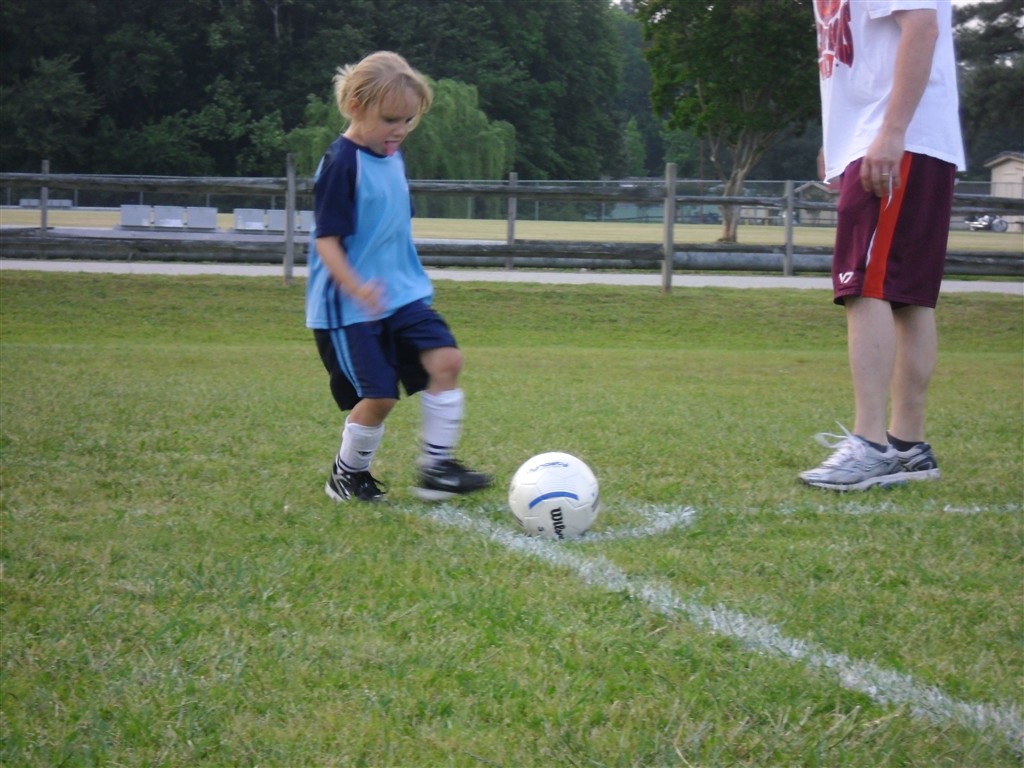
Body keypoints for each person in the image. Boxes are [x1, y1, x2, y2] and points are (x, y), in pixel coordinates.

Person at [306, 51, 493, 502]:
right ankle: (347, 475)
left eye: (409, 120)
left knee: (446, 361)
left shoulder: (392, 155)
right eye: (391, 120)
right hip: (350, 307)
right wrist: (357, 286)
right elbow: (326, 241)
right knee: (380, 396)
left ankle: (437, 468)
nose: (401, 130)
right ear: (356, 107)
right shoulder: (341, 163)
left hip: (403, 296)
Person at [801, 1, 965, 491]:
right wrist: (839, 138)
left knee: (865, 283)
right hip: (891, 136)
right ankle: (908, 445)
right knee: (907, 295)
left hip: (898, 137)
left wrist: (890, 133)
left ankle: (870, 444)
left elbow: (921, 27)